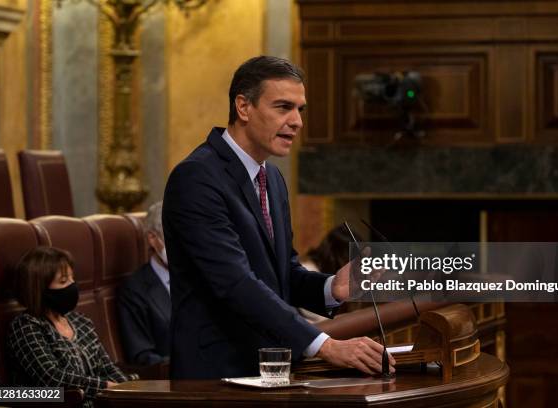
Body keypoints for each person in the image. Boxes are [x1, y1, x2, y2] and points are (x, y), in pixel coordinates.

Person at [163, 55, 394, 379]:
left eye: (300, 110)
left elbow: (281, 273)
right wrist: (325, 345)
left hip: (272, 369)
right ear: (243, 107)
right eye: (283, 107)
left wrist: (331, 288)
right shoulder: (197, 178)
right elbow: (235, 284)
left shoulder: (271, 178)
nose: (297, 121)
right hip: (216, 376)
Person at [7, 247, 132, 408]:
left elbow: (107, 367)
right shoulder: (25, 326)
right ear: (40, 288)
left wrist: (130, 391)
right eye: (64, 281)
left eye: (73, 279)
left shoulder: (81, 321)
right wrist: (105, 387)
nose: (73, 286)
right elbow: (52, 378)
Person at [118, 201, 171, 365]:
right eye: (173, 236)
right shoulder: (134, 290)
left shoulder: (200, 276)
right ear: (153, 238)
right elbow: (142, 356)